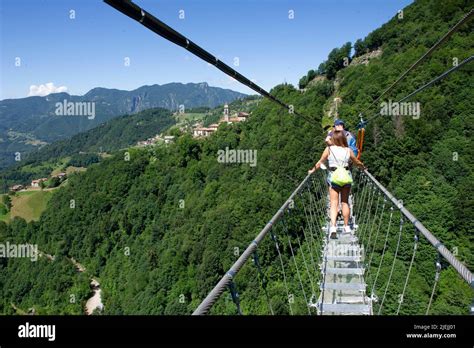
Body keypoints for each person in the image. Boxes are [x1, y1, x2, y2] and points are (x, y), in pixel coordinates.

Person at [309, 130, 366, 239]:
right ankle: (346, 227)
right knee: (345, 202)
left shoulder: (329, 149)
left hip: (334, 177)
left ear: (333, 139)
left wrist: (312, 170)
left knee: (334, 203)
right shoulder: (348, 150)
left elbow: (320, 162)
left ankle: (333, 227)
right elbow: (356, 162)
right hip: (346, 177)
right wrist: (363, 167)